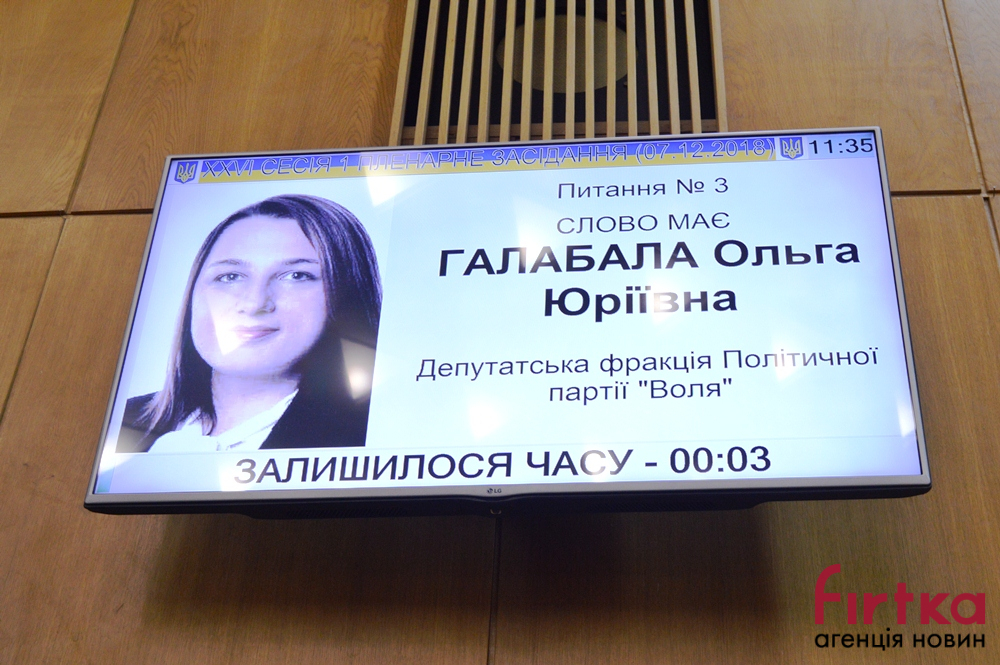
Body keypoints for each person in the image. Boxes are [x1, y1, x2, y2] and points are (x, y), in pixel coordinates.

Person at [117, 194, 381, 453]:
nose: (255, 303)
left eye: (296, 275)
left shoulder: (367, 433)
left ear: (348, 295)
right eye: (230, 276)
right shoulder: (124, 421)